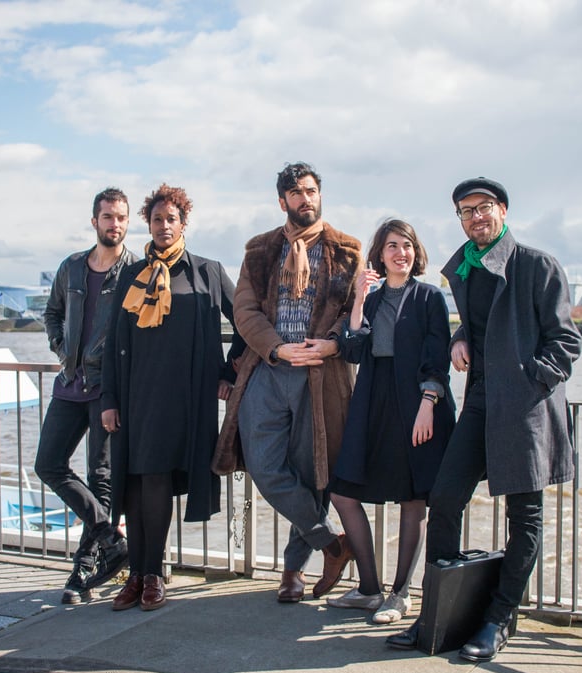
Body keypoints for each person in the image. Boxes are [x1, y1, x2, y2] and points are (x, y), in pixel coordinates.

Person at [386, 177, 582, 661]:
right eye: (465, 211)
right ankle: (436, 616)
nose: (475, 217)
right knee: (446, 497)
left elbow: (566, 342)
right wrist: (458, 338)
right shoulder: (466, 271)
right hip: (479, 401)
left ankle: (497, 619)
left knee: (525, 516)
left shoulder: (537, 266)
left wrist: (527, 377)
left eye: (483, 207)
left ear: (503, 211)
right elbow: (475, 327)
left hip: (525, 408)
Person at [214, 162, 362, 604]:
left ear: (321, 194)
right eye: (296, 193)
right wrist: (277, 348)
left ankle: (292, 571)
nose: (305, 199)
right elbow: (244, 312)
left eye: (311, 191)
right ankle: (331, 544)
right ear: (282, 201)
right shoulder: (260, 250)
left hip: (321, 376)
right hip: (269, 367)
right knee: (263, 465)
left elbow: (353, 311)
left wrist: (331, 343)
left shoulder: (348, 250)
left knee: (313, 473)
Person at [101, 183, 238, 612]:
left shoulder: (207, 272)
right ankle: (139, 575)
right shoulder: (130, 274)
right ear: (149, 223)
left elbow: (248, 321)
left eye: (171, 219)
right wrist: (109, 399)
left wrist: (229, 371)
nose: (164, 226)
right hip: (136, 393)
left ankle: (152, 574)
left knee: (157, 478)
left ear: (184, 223)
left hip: (183, 400)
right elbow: (112, 341)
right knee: (136, 485)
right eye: (157, 219)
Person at [327, 219, 455, 623]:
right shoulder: (373, 299)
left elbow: (437, 358)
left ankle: (400, 594)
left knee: (412, 499)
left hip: (418, 402)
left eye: (408, 245)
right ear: (379, 255)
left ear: (416, 253)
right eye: (392, 246)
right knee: (343, 491)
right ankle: (369, 587)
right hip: (374, 402)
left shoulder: (430, 298)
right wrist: (360, 301)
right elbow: (352, 351)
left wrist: (428, 403)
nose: (401, 252)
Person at [35, 187, 137, 605]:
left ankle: (84, 567)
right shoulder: (72, 267)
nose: (115, 224)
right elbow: (52, 313)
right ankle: (110, 538)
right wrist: (62, 350)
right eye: (108, 217)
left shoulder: (136, 270)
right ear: (94, 220)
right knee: (48, 464)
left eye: (121, 218)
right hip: (70, 381)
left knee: (101, 476)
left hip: (108, 386)